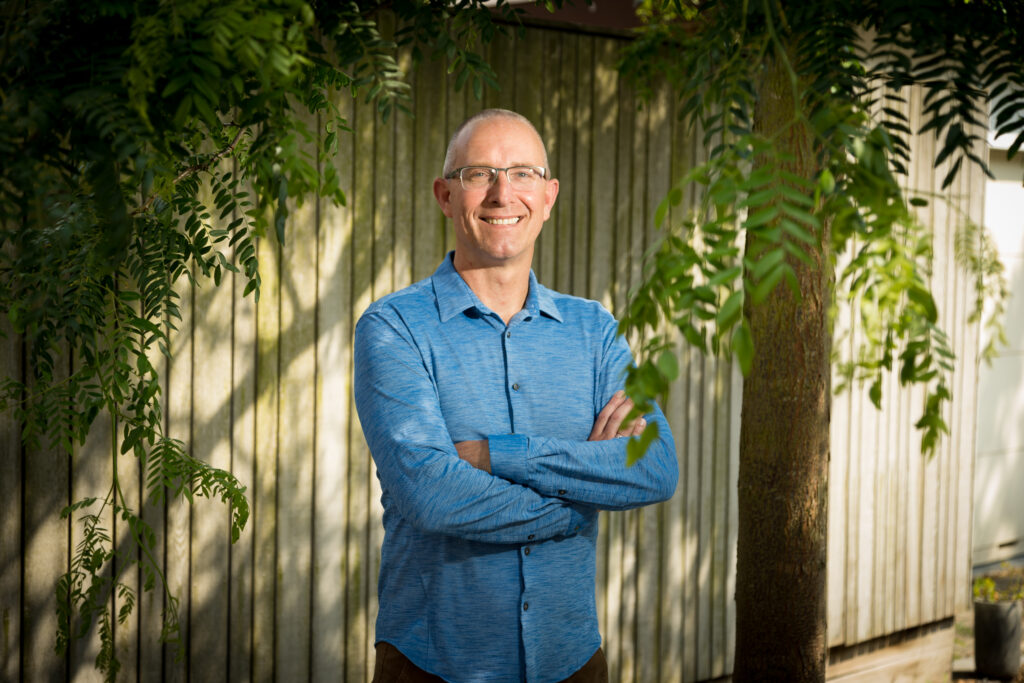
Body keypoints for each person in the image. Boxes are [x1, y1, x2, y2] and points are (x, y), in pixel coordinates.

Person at [353, 109, 678, 683]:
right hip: (434, 664)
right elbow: (431, 494)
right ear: (445, 196)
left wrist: (494, 455)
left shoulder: (594, 330)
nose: (503, 194)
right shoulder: (394, 327)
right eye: (479, 174)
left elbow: (654, 468)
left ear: (548, 197)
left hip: (572, 660)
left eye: (523, 173)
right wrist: (579, 500)